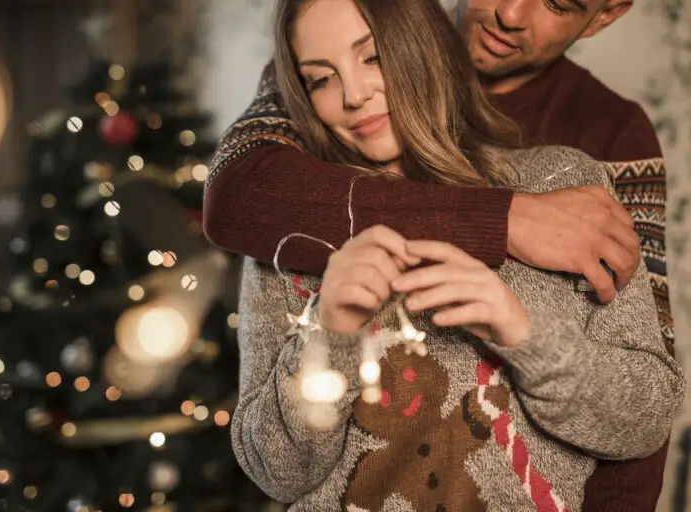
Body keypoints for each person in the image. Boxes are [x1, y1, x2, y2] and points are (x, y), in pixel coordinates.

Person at [204, 0, 674, 508]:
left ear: (605, 15)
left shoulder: (583, 162)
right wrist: (327, 335)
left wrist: (527, 334)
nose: (354, 94)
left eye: (373, 57)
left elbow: (641, 422)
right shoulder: (291, 227)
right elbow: (236, 195)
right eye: (320, 78)